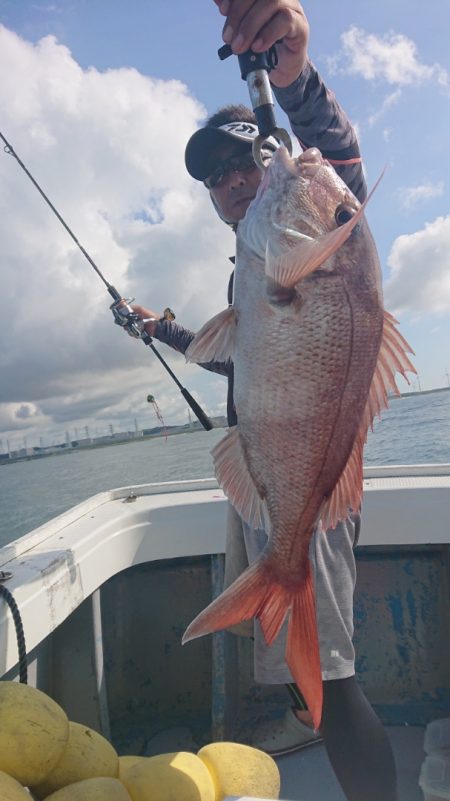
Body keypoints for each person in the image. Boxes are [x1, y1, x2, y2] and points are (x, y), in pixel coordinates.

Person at [133, 3, 398, 799]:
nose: (231, 183)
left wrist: (297, 75)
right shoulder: (257, 262)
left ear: (272, 155)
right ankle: (303, 706)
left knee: (336, 678)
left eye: (244, 162)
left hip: (310, 486)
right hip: (272, 470)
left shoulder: (329, 239)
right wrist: (164, 329)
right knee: (311, 672)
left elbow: (338, 159)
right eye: (214, 177)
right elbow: (240, 361)